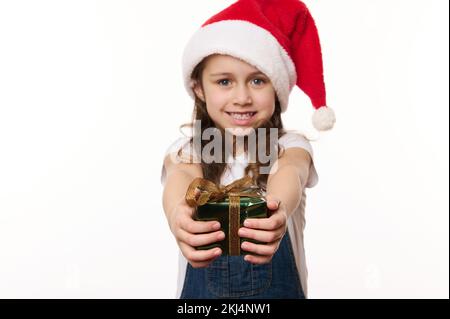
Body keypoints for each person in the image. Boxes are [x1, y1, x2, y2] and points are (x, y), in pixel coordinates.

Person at [161, 0, 336, 299]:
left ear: (277, 87)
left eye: (257, 80)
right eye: (225, 81)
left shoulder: (289, 148)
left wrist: (277, 209)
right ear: (199, 88)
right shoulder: (187, 151)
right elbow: (181, 174)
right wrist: (178, 211)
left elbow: (291, 172)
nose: (242, 97)